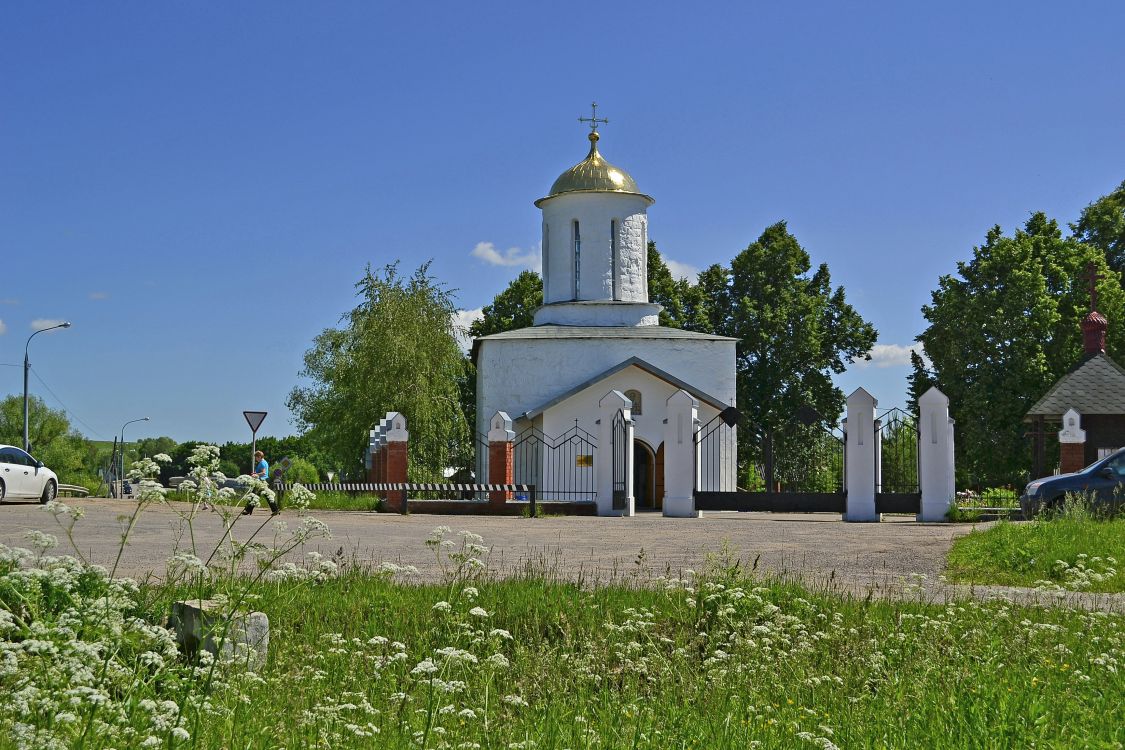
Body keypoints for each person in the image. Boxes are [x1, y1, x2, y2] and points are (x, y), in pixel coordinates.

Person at [243, 450, 280, 516]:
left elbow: (263, 473)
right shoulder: (264, 462)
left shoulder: (262, 463)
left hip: (261, 481)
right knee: (259, 496)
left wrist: (255, 475)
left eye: (256, 457)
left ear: (259, 456)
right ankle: (275, 510)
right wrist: (256, 473)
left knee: (254, 495)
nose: (256, 459)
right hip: (262, 481)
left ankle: (248, 510)